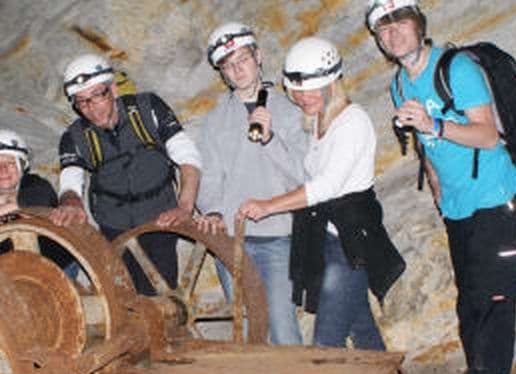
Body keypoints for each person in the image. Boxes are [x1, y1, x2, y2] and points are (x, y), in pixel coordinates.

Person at [366, 0, 516, 374]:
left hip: (497, 196)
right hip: (458, 205)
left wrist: (433, 124)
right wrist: (437, 186)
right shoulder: (399, 83)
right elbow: (425, 146)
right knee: (470, 300)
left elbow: (488, 135)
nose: (392, 35)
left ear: (419, 23)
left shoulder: (456, 69)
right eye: (383, 29)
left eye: (399, 23)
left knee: (494, 301)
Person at [238, 37, 405, 352]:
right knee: (363, 330)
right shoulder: (318, 120)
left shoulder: (352, 122)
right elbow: (306, 173)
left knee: (326, 342)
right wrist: (270, 139)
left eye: (311, 88)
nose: (302, 97)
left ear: (332, 83)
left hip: (351, 242)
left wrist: (269, 206)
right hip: (327, 238)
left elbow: (325, 187)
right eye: (296, 90)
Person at [50, 54, 201, 295]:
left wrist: (184, 207)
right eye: (82, 102)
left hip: (159, 221)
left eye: (97, 96)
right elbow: (70, 181)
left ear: (112, 89)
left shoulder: (148, 108)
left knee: (161, 300)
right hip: (113, 227)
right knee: (122, 300)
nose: (91, 108)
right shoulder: (74, 137)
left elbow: (188, 157)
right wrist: (71, 203)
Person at [196, 22, 308, 345]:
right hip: (233, 240)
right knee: (244, 332)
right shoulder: (216, 120)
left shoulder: (289, 109)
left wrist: (271, 138)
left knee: (282, 327)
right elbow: (210, 176)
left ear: (258, 56)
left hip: (278, 237)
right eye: (228, 65)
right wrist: (215, 212)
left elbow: (303, 175)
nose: (237, 69)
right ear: (222, 73)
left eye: (242, 59)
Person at [0, 129, 74, 270]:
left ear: (22, 165)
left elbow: (40, 200)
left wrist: (3, 206)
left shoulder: (34, 183)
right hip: (14, 270)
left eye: (10, 163)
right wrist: (6, 207)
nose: (3, 170)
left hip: (58, 266)